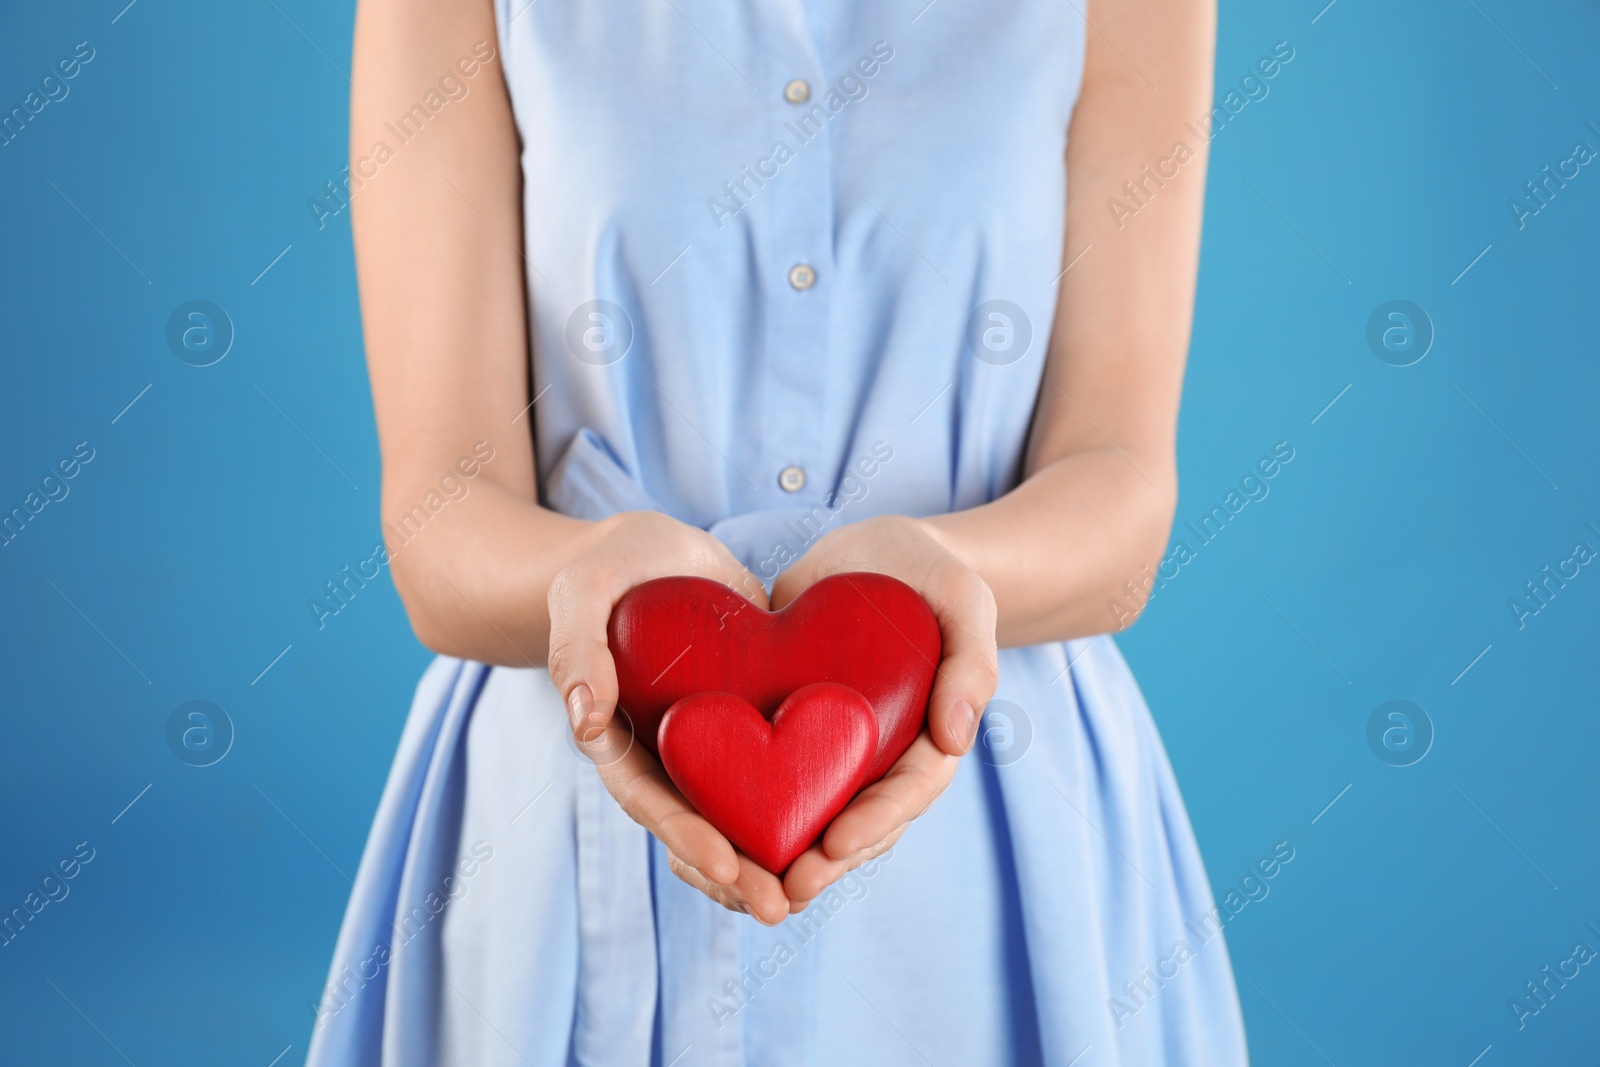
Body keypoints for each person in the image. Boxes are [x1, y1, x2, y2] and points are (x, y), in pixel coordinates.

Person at [307, 0, 1247, 1063]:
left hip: (985, 838)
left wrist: (942, 577)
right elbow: (439, 521)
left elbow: (1118, 485)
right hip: (558, 818)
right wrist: (593, 580)